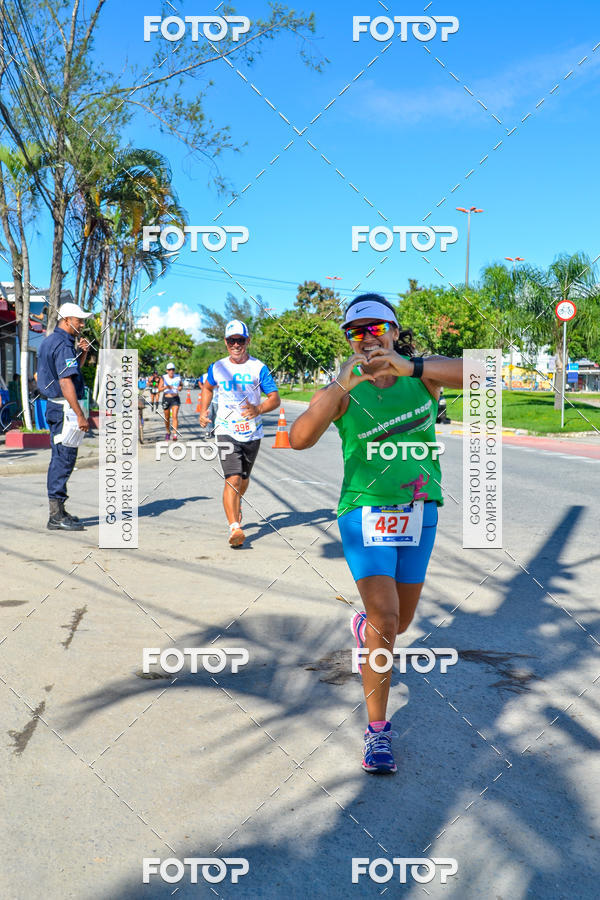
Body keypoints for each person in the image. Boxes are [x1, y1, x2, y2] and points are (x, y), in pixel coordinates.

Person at [289, 293, 463, 774]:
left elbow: (483, 375)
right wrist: (340, 383)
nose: (366, 339)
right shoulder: (345, 387)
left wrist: (412, 366)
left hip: (419, 510)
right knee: (386, 619)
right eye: (355, 332)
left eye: (374, 329)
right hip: (363, 513)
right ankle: (378, 731)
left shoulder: (422, 375)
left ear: (392, 329)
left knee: (399, 624)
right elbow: (298, 439)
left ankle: (367, 630)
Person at [199, 319, 280, 547]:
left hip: (252, 433)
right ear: (225, 342)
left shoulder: (258, 368)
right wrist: (204, 410)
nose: (236, 344)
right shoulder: (217, 367)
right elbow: (207, 387)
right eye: (232, 340)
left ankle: (237, 504)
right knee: (232, 479)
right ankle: (235, 528)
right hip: (225, 430)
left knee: (243, 480)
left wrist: (258, 409)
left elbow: (275, 398)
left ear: (248, 341)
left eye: (240, 340)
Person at [36, 301, 93, 531]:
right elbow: (65, 380)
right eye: (79, 320)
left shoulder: (54, 340)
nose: (82, 324)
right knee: (63, 459)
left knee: (63, 457)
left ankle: (59, 510)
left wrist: (82, 353)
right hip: (64, 410)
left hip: (59, 407)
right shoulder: (62, 344)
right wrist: (80, 415)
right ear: (67, 320)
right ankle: (55, 516)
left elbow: (71, 372)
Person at [160, 362, 182, 441]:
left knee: (175, 416)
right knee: (167, 417)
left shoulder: (178, 377)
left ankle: (175, 434)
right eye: (169, 370)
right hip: (166, 398)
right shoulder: (164, 377)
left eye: (172, 370)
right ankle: (168, 431)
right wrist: (166, 387)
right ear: (167, 371)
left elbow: (180, 386)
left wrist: (180, 388)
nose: (171, 371)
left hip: (175, 399)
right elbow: (159, 389)